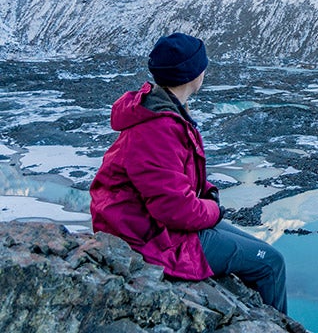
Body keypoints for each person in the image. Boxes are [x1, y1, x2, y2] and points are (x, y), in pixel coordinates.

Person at [90, 32, 288, 313]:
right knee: (270, 263)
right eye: (202, 65)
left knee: (259, 250)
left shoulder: (161, 111)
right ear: (192, 73)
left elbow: (172, 177)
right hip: (154, 237)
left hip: (152, 226)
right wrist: (214, 211)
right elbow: (174, 209)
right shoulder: (157, 128)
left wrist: (206, 196)